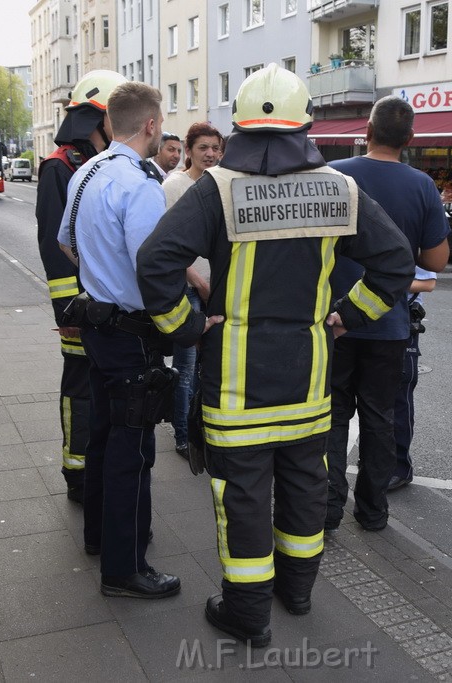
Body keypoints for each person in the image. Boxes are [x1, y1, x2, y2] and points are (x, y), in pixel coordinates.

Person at [136, 64, 414, 647]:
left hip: (236, 382)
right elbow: (395, 262)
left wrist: (185, 327)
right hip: (310, 375)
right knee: (305, 486)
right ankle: (299, 591)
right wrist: (349, 315)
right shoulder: (340, 187)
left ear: (239, 124)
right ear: (305, 124)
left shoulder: (218, 188)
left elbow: (156, 261)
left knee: (241, 497)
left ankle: (247, 612)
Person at [57, 80, 181, 599]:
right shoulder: (139, 184)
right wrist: (185, 325)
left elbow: (65, 243)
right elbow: (153, 267)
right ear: (150, 124)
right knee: (133, 450)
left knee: (105, 439)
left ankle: (99, 539)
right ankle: (125, 569)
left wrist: (100, 279)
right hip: (131, 334)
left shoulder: (85, 171)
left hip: (98, 326)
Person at [325, 95, 450, 534]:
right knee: (379, 416)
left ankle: (326, 507)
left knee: (333, 414)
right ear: (410, 139)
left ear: (367, 133)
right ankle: (373, 511)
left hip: (335, 321)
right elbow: (436, 261)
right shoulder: (421, 186)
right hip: (389, 322)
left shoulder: (336, 176)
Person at [36, 69, 126, 505]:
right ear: (99, 118)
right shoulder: (58, 167)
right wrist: (68, 312)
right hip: (79, 310)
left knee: (104, 390)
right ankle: (78, 472)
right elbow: (54, 249)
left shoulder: (104, 165)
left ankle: (102, 466)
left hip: (108, 308)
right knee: (79, 390)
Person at [160, 122, 222, 461]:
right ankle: (183, 436)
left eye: (215, 148)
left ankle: (199, 431)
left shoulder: (221, 184)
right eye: (203, 148)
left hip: (214, 291)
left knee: (204, 367)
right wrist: (199, 281)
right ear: (189, 151)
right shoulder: (175, 186)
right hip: (189, 291)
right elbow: (163, 246)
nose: (210, 154)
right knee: (186, 367)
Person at [388, 266, 437, 491]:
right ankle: (376, 461)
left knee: (399, 398)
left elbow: (427, 282)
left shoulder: (408, 233)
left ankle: (399, 468)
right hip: (364, 320)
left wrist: (381, 280)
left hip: (401, 322)